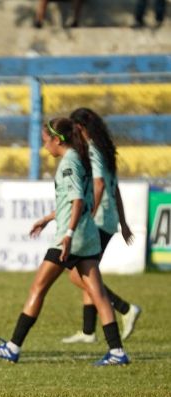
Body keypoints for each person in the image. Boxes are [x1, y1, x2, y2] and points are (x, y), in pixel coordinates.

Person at [0, 118, 130, 367]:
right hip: (87, 235)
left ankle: (13, 346)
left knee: (38, 288)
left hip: (70, 238)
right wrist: (48, 218)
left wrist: (69, 234)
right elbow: (76, 200)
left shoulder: (68, 163)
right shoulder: (79, 159)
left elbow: (78, 202)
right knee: (98, 293)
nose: (45, 147)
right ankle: (117, 351)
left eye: (45, 142)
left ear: (57, 140)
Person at [62, 108, 140, 344]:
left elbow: (99, 185)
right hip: (108, 218)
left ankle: (125, 308)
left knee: (76, 275)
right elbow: (114, 187)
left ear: (80, 127)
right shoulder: (106, 150)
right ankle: (88, 331)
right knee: (88, 271)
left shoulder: (93, 150)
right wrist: (123, 222)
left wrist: (88, 214)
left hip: (97, 220)